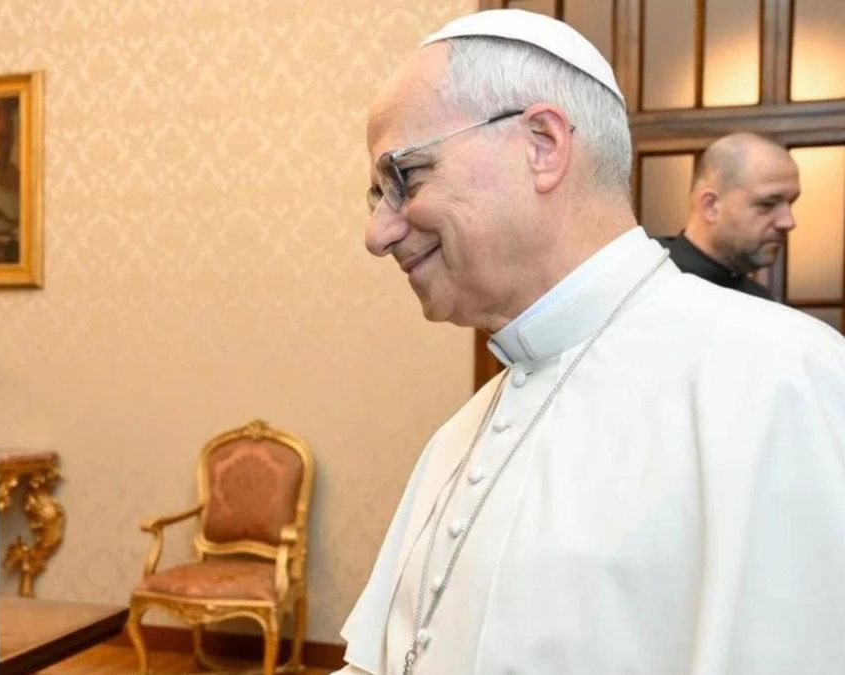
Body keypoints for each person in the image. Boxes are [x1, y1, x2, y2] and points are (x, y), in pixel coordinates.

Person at [338, 8, 845, 675]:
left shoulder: (783, 379)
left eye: (405, 177)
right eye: (376, 195)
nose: (377, 234)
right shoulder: (461, 433)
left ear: (542, 145)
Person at [657, 132, 800, 300]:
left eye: (791, 203)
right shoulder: (644, 279)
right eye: (767, 204)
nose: (788, 222)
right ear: (711, 206)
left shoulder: (760, 301)